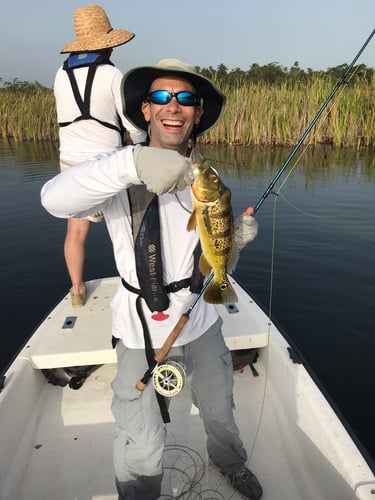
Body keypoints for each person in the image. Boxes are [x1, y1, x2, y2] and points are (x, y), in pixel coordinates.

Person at [41, 58, 262, 500]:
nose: (173, 106)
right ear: (145, 110)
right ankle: (139, 492)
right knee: (140, 433)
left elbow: (211, 252)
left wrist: (233, 241)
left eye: (185, 99)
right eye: (161, 96)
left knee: (219, 410)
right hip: (139, 325)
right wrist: (134, 163)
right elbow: (54, 199)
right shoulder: (116, 167)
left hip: (201, 317)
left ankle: (231, 462)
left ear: (198, 113)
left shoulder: (206, 176)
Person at [54, 4, 146, 307]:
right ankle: (140, 286)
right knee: (131, 225)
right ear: (108, 44)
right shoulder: (111, 73)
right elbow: (133, 126)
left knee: (76, 230)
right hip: (107, 162)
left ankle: (77, 291)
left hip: (70, 160)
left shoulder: (60, 74)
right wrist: (137, 142)